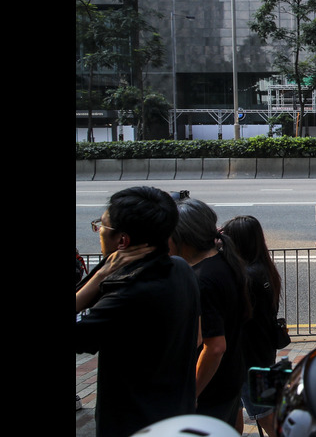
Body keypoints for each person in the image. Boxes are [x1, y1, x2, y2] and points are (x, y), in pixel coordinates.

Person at [75, 186, 201, 437]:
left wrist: (98, 277)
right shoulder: (180, 268)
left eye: (101, 226)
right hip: (174, 415)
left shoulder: (127, 296)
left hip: (134, 425)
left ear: (122, 241)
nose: (98, 231)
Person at [171, 198, 251, 428]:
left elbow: (214, 347)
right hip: (230, 378)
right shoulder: (224, 261)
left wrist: (191, 393)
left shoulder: (202, 279)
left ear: (181, 236)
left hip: (211, 389)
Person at [222, 215, 283, 436]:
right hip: (264, 354)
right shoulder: (264, 269)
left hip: (249, 361)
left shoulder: (246, 277)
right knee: (263, 412)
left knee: (266, 417)